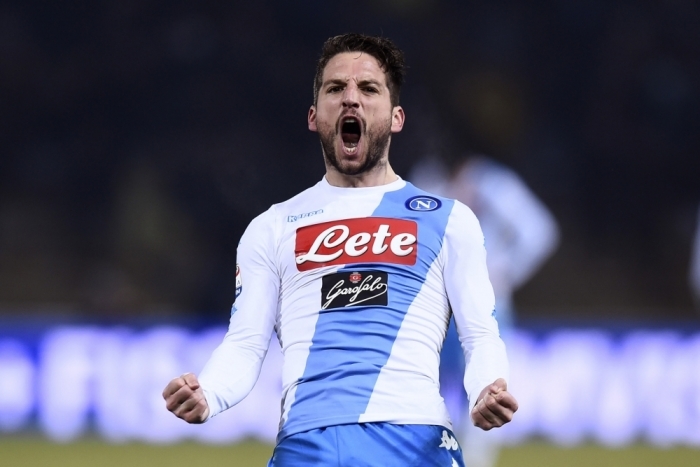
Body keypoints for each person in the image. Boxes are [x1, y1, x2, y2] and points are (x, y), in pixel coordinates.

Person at [163, 33, 518, 467]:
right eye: (335, 88)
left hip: (416, 442)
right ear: (314, 116)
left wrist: (486, 388)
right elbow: (245, 344)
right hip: (308, 447)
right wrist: (209, 394)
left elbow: (480, 334)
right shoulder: (272, 228)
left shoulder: (450, 220)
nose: (351, 98)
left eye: (368, 88)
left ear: (396, 117)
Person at [410, 154, 559, 467]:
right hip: (436, 303)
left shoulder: (494, 184)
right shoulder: (427, 179)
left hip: (485, 303)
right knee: (429, 385)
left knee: (485, 386)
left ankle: (476, 461)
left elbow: (539, 231)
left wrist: (505, 271)